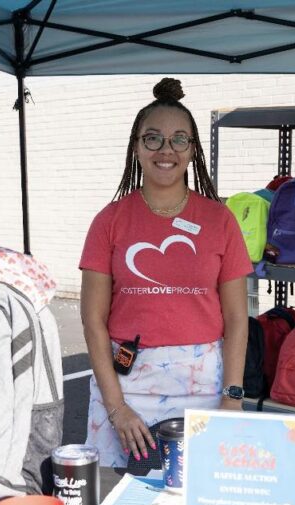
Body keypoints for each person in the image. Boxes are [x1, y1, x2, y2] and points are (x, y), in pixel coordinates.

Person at [79, 77, 252, 468]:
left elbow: (238, 319)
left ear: (192, 151)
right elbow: (92, 321)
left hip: (204, 388)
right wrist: (116, 407)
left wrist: (233, 396)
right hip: (124, 389)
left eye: (179, 140)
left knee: (195, 501)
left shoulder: (219, 220)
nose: (166, 150)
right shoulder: (109, 221)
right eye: (153, 138)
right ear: (136, 147)